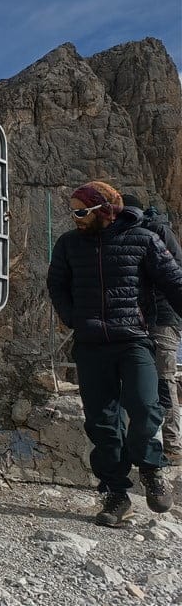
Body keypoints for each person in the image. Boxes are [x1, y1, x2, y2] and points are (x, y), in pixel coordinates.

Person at [47, 181, 182, 526]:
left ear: (103, 210)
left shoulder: (143, 239)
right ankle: (116, 495)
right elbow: (57, 285)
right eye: (73, 211)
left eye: (81, 211)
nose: (74, 217)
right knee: (102, 423)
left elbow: (174, 281)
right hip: (90, 345)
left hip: (134, 340)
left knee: (145, 406)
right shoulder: (68, 244)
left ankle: (151, 470)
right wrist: (72, 317)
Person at [121, 193, 182, 465]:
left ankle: (172, 444)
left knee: (164, 377)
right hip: (140, 316)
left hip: (163, 315)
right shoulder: (130, 232)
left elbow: (175, 272)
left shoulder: (156, 231)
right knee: (151, 378)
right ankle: (155, 442)